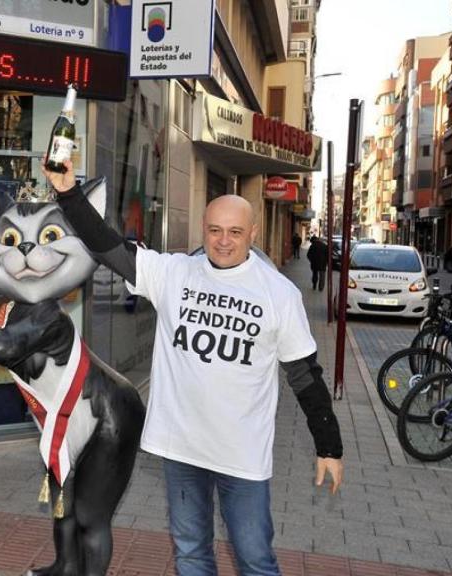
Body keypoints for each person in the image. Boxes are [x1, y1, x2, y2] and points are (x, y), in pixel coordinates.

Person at [45, 161, 343, 576]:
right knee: (190, 553)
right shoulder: (174, 274)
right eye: (215, 230)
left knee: (255, 559)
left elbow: (304, 375)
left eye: (235, 232)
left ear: (252, 234)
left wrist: (329, 445)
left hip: (242, 456)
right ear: (204, 228)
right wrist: (67, 193)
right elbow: (106, 246)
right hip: (182, 448)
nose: (223, 241)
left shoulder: (279, 294)